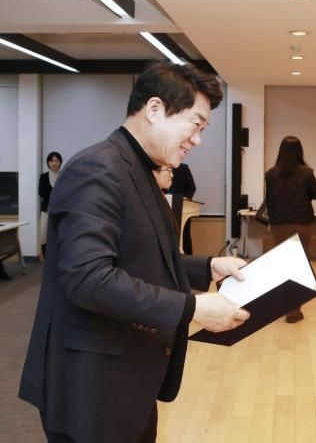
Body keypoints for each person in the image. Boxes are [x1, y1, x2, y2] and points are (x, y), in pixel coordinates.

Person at [19, 61, 251, 443]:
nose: (197, 140)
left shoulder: (139, 170)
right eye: (195, 125)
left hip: (126, 380)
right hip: (91, 385)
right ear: (155, 109)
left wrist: (208, 268)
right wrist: (192, 309)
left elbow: (143, 256)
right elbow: (89, 278)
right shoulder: (98, 169)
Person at [265, 136, 316, 323]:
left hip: (278, 226)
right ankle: (293, 312)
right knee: (298, 266)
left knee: (283, 265)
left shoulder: (271, 174)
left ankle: (283, 305)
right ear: (299, 151)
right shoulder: (306, 173)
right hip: (301, 224)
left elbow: (270, 200)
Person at [38, 151, 63, 257]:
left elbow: (66, 192)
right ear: (48, 163)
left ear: (60, 162)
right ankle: (46, 258)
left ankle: (59, 258)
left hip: (61, 210)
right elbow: (41, 192)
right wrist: (52, 186)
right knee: (44, 235)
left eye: (56, 161)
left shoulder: (64, 175)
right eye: (51, 161)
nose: (54, 163)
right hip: (46, 210)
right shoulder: (44, 176)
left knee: (60, 234)